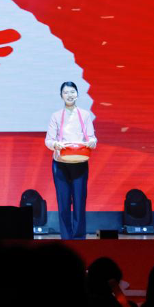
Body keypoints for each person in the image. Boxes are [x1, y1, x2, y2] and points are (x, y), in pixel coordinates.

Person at [45, 81, 97, 240]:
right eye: (66, 92)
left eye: (72, 91)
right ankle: (66, 238)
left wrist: (92, 142)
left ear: (77, 94)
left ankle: (79, 238)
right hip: (60, 164)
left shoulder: (85, 115)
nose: (69, 95)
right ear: (61, 96)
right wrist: (56, 144)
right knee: (63, 203)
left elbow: (92, 137)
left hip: (80, 163)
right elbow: (48, 141)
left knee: (79, 202)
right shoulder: (56, 116)